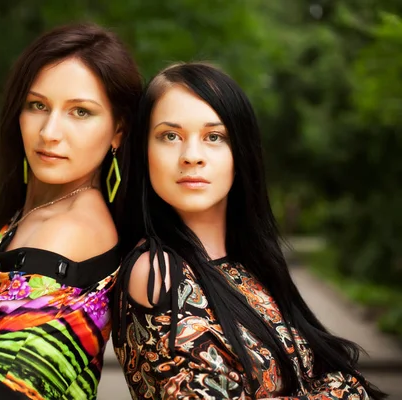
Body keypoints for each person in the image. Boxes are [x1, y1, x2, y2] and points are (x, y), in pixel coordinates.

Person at [112, 62, 386, 399]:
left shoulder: (251, 264)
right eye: (170, 136)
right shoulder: (158, 272)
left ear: (240, 153)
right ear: (144, 151)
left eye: (214, 136)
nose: (192, 156)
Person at [0, 23, 142, 400]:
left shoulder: (69, 233)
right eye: (38, 105)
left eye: (80, 112)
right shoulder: (31, 214)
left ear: (118, 130)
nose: (50, 131)